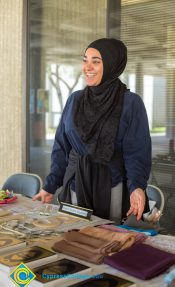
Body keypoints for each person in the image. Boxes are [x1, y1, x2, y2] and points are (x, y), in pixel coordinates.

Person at [33, 38, 152, 223]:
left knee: (107, 242)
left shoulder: (130, 103)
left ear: (112, 64)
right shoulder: (75, 100)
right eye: (85, 60)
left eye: (96, 61)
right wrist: (50, 185)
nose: (87, 67)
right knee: (73, 236)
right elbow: (61, 147)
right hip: (75, 182)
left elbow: (137, 151)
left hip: (111, 184)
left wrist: (137, 186)